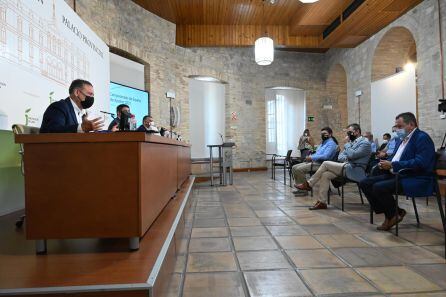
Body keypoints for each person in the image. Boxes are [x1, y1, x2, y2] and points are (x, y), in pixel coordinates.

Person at [359, 112, 436, 231]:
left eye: (400, 126)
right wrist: (385, 162)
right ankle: (394, 213)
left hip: (416, 177)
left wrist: (393, 165)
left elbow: (421, 162)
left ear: (411, 124)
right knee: (365, 182)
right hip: (399, 174)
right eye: (396, 126)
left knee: (379, 187)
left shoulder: (422, 138)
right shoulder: (401, 140)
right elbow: (395, 157)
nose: (397, 129)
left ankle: (392, 215)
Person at [297, 123, 371, 210]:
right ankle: (322, 202)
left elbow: (352, 155)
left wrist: (347, 145)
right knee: (326, 175)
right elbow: (340, 156)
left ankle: (309, 184)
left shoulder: (365, 143)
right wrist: (349, 155)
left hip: (356, 170)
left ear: (357, 131)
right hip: (346, 166)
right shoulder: (351, 143)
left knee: (326, 163)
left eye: (349, 132)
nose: (348, 135)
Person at [291, 127, 338, 196]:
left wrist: (311, 157)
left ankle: (304, 190)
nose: (323, 135)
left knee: (299, 169)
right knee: (294, 167)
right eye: (322, 134)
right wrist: (310, 156)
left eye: (325, 134)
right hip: (316, 162)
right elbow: (317, 153)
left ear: (330, 134)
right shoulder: (323, 143)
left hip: (322, 165)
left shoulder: (331, 144)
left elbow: (326, 156)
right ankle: (300, 189)